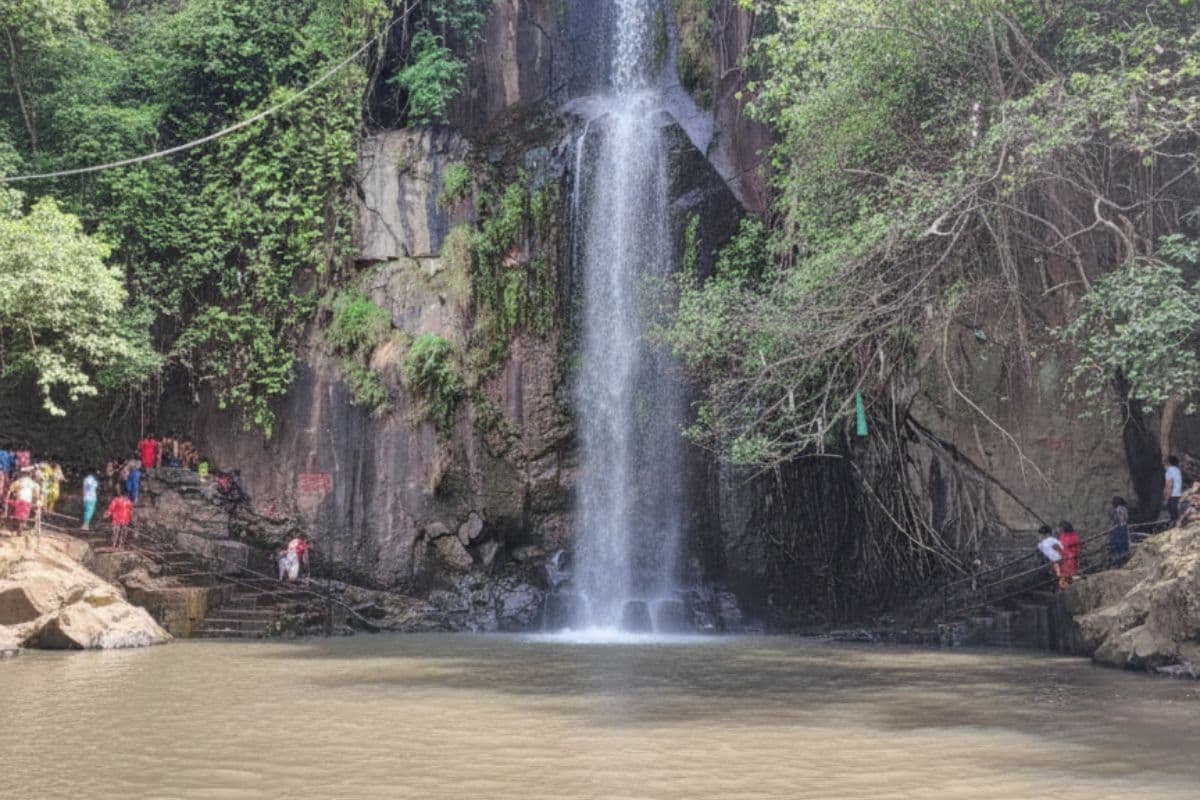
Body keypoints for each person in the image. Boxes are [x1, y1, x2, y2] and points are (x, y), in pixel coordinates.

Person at [1057, 521, 1081, 588]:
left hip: (1071, 557)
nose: (1060, 529)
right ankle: (1067, 587)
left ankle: (1074, 585)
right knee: (1065, 575)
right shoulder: (1062, 536)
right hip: (1065, 558)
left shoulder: (1073, 536)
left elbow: (1077, 547)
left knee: (1072, 573)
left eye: (1061, 528)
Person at [1108, 497, 1130, 567]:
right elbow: (1126, 518)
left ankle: (1118, 560)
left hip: (1119, 527)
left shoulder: (1117, 510)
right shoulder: (1124, 509)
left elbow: (1117, 520)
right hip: (1124, 526)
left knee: (1117, 544)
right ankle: (1124, 557)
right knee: (1124, 543)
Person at [1164, 455, 1184, 524]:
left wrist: (1167, 495)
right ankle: (1176, 521)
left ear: (1169, 463)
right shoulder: (1178, 470)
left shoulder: (1169, 470)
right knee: (1175, 509)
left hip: (1172, 493)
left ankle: (1174, 522)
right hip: (1177, 493)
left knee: (1171, 509)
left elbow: (1169, 484)